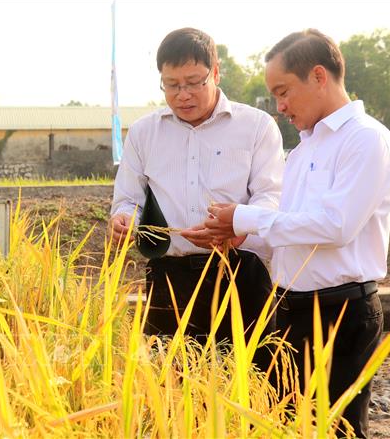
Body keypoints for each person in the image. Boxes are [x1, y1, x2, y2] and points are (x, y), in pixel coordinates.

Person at [204, 29, 390, 438]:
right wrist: (244, 237)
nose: (280, 107)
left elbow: (336, 226)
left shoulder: (366, 139)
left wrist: (246, 218)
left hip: (340, 314)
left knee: (338, 430)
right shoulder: (304, 149)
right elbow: (293, 230)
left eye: (283, 91)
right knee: (286, 427)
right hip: (291, 310)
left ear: (318, 75)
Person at [109, 28, 285, 372]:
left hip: (238, 273)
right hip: (169, 278)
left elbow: (272, 197)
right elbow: (128, 198)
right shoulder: (145, 132)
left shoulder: (256, 126)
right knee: (171, 389)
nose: (182, 94)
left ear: (215, 73)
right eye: (171, 84)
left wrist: (238, 229)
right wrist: (123, 219)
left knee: (253, 381)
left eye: (193, 82)